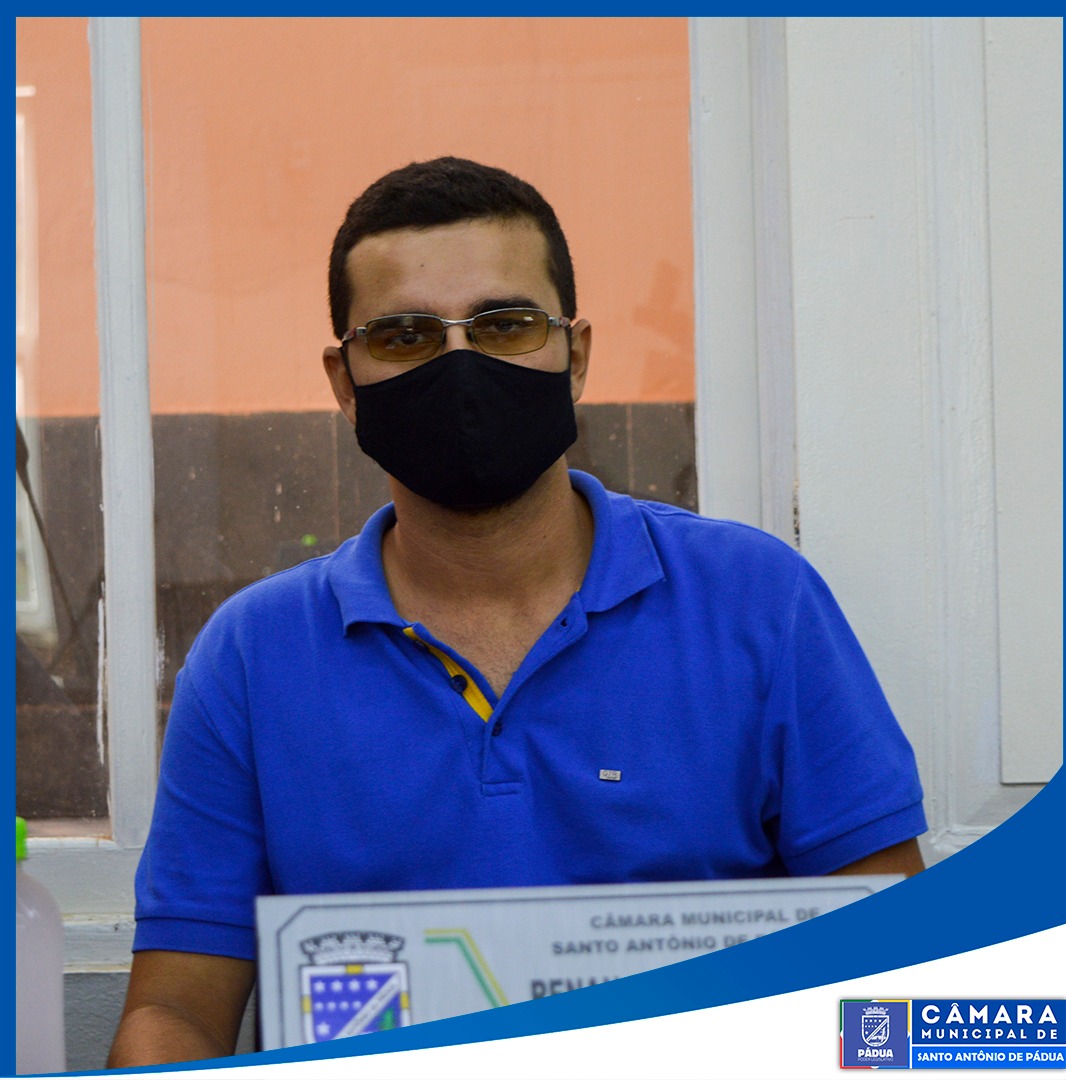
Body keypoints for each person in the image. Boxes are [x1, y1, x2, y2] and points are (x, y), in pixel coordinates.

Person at [108, 157, 926, 1065]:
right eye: (405, 336)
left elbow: (894, 960)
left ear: (577, 355)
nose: (460, 369)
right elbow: (175, 1008)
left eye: (505, 325)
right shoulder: (252, 658)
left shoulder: (759, 602)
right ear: (344, 381)